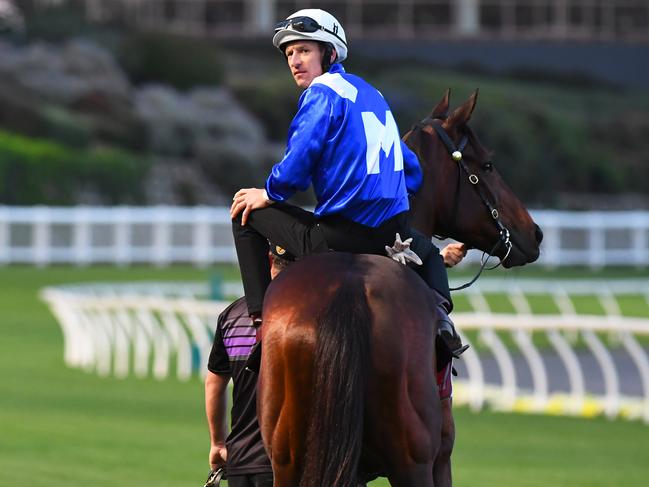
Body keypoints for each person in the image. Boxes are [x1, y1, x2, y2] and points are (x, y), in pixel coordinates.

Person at [230, 8, 465, 357]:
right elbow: (412, 171)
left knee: (242, 212)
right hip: (393, 236)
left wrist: (270, 191)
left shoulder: (321, 94)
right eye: (290, 53)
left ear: (331, 53)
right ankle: (442, 321)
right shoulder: (374, 95)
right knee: (429, 254)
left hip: (340, 239)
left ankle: (260, 323)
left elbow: (299, 162)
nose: (295, 60)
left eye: (305, 50)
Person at [204, 248, 293, 487]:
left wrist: (218, 443)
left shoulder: (232, 314)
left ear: (269, 259)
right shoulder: (310, 313)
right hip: (288, 460)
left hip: (240, 457)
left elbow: (214, 384)